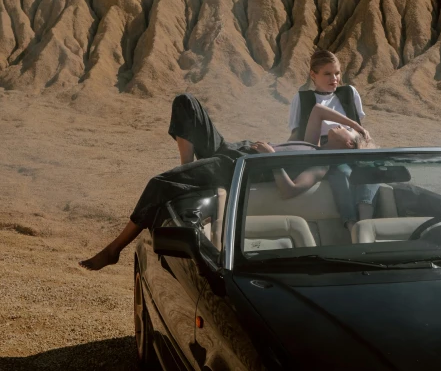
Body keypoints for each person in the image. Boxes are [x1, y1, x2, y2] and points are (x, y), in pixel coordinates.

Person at [79, 96, 369, 271]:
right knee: (185, 103)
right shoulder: (312, 143)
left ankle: (114, 249)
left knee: (158, 183)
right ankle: (189, 171)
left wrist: (271, 159)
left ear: (349, 147)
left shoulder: (319, 165)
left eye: (345, 131)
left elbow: (289, 190)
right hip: (231, 148)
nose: (340, 126)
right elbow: (318, 109)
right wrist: (357, 127)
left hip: (234, 167)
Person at [288, 49, 377, 223]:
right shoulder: (302, 99)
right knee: (341, 172)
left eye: (337, 73)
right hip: (325, 149)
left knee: (372, 168)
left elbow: (359, 125)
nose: (334, 78)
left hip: (353, 144)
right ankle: (349, 221)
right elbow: (296, 133)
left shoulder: (349, 93)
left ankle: (365, 219)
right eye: (327, 74)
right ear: (313, 74)